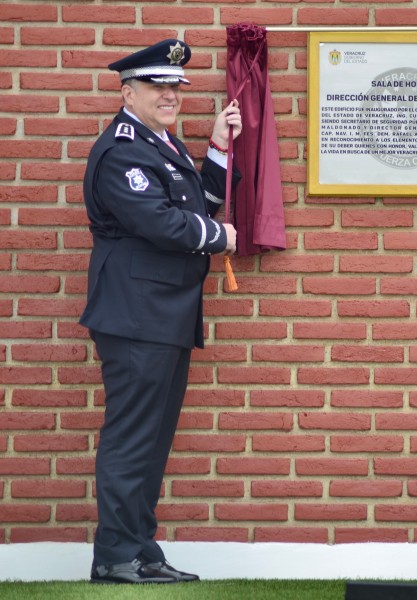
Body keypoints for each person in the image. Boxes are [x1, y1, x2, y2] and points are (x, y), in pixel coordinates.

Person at [80, 39, 241, 584]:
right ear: (128, 92)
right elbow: (160, 222)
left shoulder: (160, 144)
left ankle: (139, 548)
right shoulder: (124, 148)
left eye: (175, 87)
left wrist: (217, 148)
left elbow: (192, 203)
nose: (170, 95)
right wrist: (218, 236)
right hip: (136, 316)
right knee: (132, 437)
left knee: (152, 438)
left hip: (159, 315)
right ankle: (115, 557)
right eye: (157, 86)